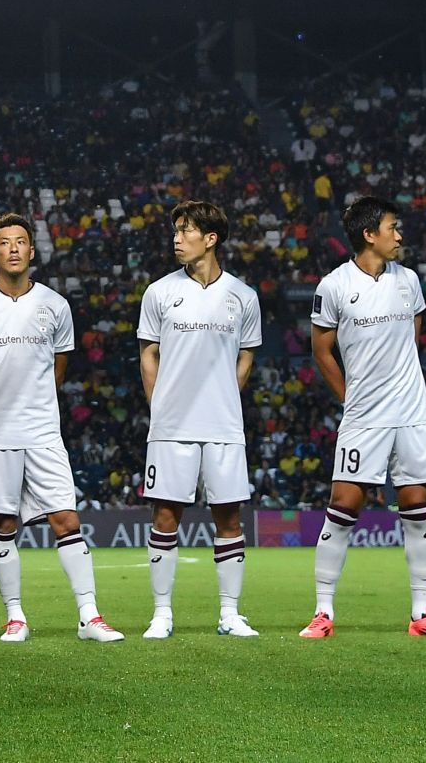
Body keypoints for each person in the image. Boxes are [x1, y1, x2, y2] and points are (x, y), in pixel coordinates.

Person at [0, 213, 122, 643]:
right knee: (3, 525)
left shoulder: (55, 305)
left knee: (66, 519)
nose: (13, 248)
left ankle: (89, 616)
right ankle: (15, 617)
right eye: (5, 243)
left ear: (32, 250)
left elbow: (59, 365)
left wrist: (33, 403)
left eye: (21, 242)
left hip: (44, 433)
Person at [301, 197, 426, 639]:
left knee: (417, 508)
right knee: (343, 508)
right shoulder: (333, 286)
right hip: (364, 416)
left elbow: (413, 333)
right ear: (369, 234)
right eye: (393, 227)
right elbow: (321, 349)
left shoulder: (408, 280)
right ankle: (323, 612)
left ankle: (422, 614)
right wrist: (349, 397)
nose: (399, 234)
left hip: (411, 411)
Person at [137, 199, 262, 640]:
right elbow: (148, 354)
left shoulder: (243, 297)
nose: (177, 238)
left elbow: (246, 355)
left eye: (186, 230)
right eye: (176, 230)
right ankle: (162, 613)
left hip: (224, 425)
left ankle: (230, 614)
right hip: (171, 427)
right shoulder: (159, 292)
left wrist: (227, 396)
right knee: (166, 517)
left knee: (228, 519)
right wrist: (160, 407)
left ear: (210, 239)